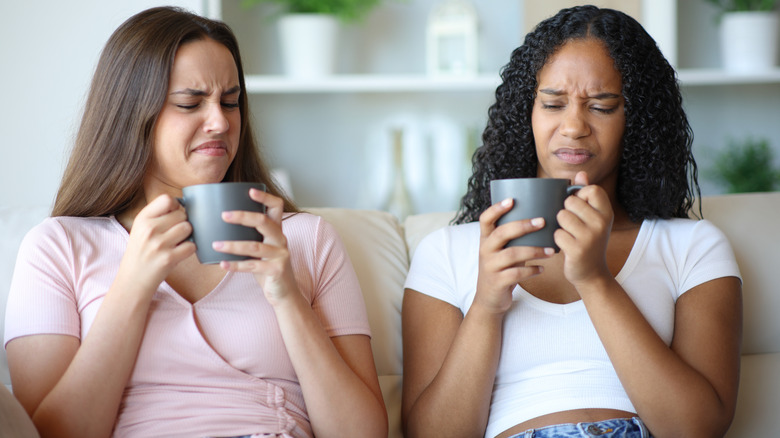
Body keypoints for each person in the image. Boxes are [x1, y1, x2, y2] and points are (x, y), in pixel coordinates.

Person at [4, 7, 387, 438]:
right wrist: (132, 284)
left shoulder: (305, 239)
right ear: (133, 115)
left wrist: (287, 296)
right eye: (191, 102)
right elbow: (47, 433)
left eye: (230, 102)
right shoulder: (58, 247)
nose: (221, 122)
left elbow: (363, 433)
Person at [402, 5, 742, 438]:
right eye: (553, 104)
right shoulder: (447, 252)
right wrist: (487, 305)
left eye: (601, 106)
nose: (574, 126)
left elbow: (697, 429)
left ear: (635, 122)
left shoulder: (694, 245)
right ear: (527, 113)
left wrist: (595, 281)